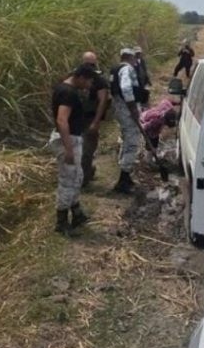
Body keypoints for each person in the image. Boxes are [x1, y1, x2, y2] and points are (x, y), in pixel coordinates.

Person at [49, 64, 98, 234]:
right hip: (67, 140)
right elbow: (62, 120)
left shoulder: (66, 89)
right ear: (81, 77)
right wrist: (68, 149)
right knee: (67, 181)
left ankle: (76, 213)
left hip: (71, 138)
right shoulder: (68, 93)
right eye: (89, 81)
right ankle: (61, 222)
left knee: (77, 177)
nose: (90, 85)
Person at [110, 47, 147, 193]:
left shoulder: (115, 68)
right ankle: (123, 179)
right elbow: (126, 88)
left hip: (119, 108)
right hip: (127, 109)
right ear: (130, 58)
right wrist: (133, 108)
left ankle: (124, 174)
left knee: (126, 138)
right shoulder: (127, 69)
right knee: (132, 142)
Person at [79, 51, 110, 187]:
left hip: (90, 118)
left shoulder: (99, 80)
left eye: (91, 64)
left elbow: (103, 101)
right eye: (87, 64)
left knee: (87, 150)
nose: (89, 67)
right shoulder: (78, 76)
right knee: (80, 150)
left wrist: (96, 121)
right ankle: (86, 172)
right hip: (77, 118)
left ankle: (84, 179)